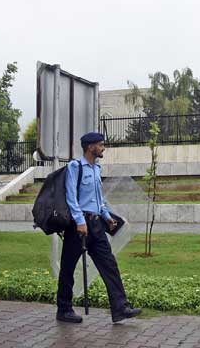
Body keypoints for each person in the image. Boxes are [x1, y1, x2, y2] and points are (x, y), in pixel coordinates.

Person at [56, 132, 141, 323]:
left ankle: (120, 308)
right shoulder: (75, 167)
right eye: (100, 145)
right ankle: (63, 309)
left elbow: (98, 198)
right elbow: (71, 197)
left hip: (96, 225)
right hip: (78, 226)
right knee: (68, 268)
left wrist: (107, 216)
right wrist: (80, 222)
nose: (103, 148)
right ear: (90, 147)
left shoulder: (96, 168)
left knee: (109, 265)